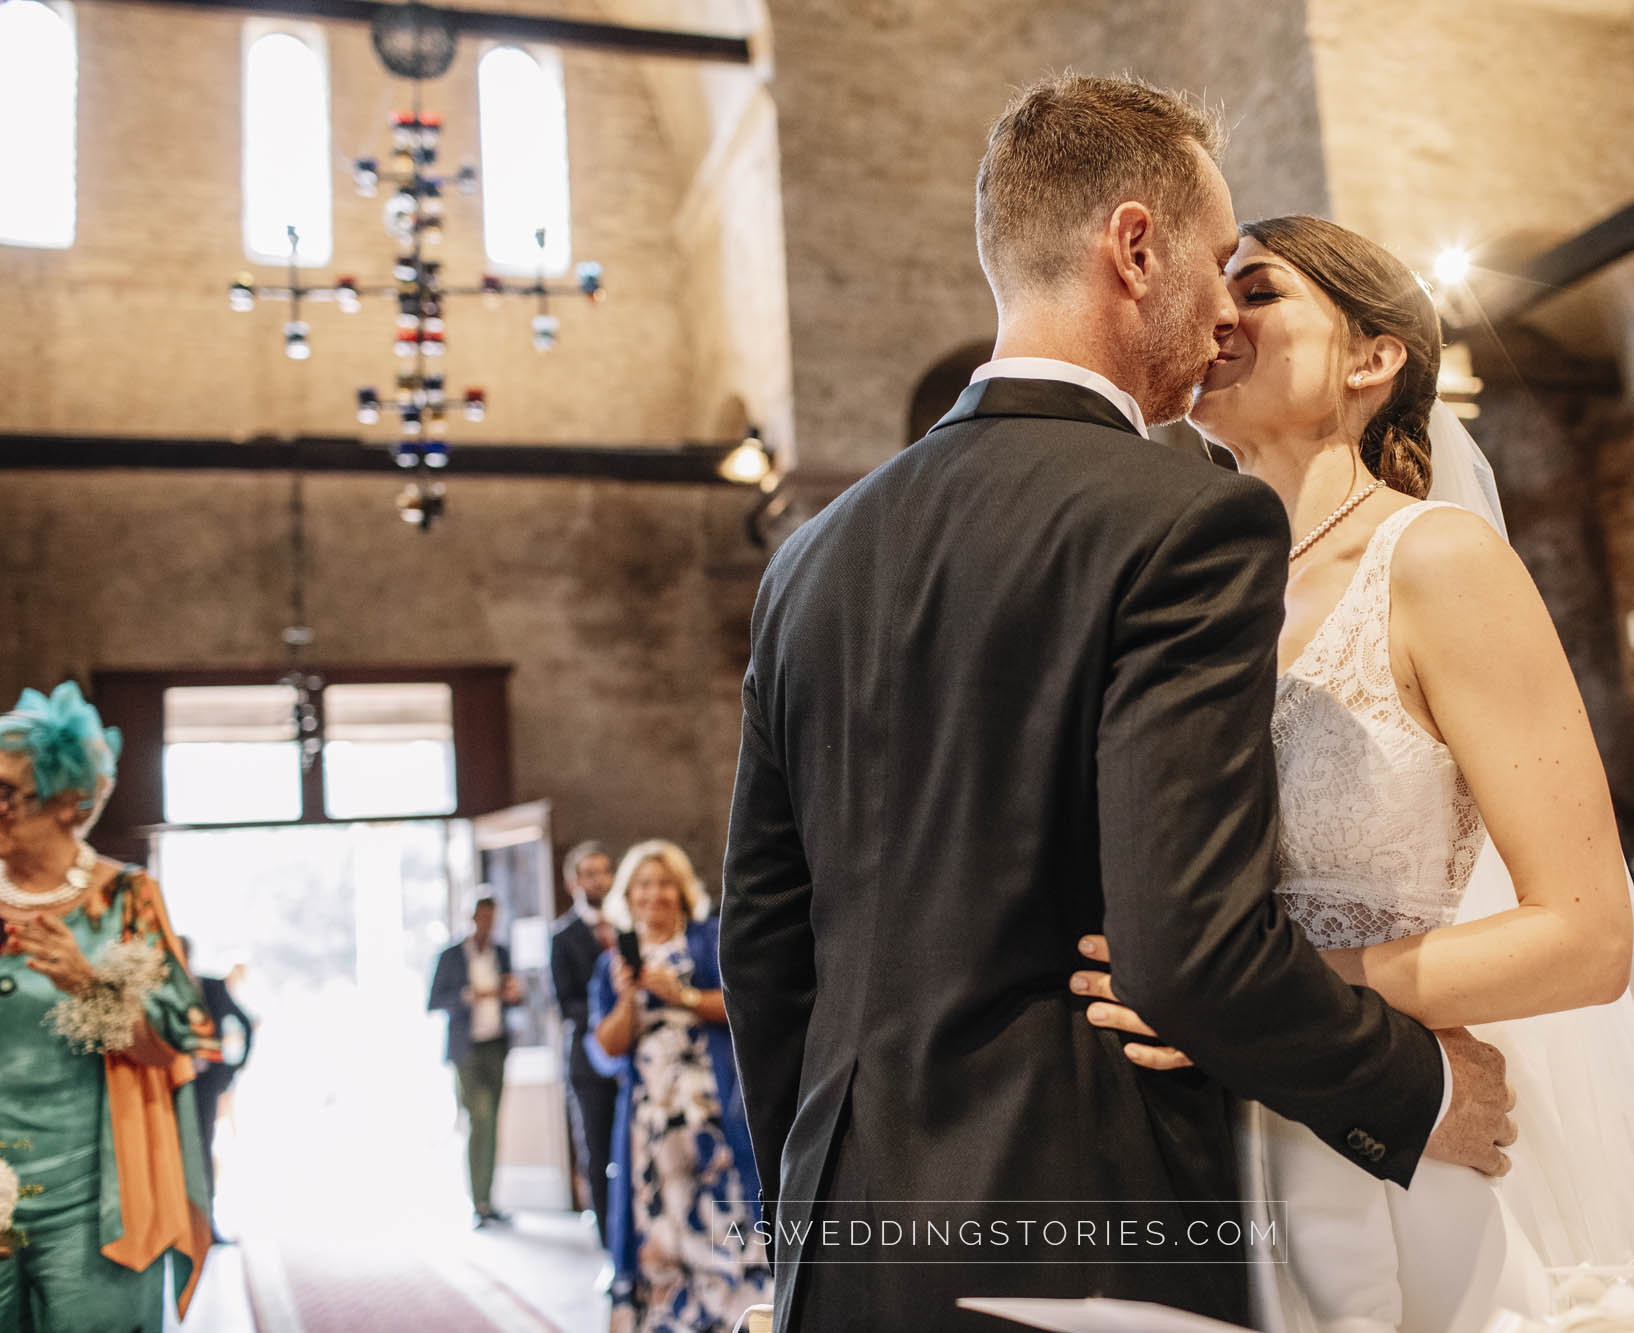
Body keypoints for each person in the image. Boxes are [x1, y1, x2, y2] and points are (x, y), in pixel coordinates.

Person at [720, 74, 1514, 1333]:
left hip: (842, 1239)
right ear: (1134, 249)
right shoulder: (1184, 522)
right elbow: (1182, 951)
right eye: (1213, 266)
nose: (1219, 320)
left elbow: (760, 950)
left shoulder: (811, 556)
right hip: (1084, 1230)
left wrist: (809, 1221)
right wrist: (1413, 1091)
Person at [1076, 216, 1634, 1331]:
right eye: (1215, 289)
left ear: (1370, 357)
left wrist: (1262, 999)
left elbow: (1584, 935)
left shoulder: (1436, 561)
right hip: (1190, 1150)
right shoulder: (1180, 586)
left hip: (1387, 1137)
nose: (1218, 315)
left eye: (1260, 291)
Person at [0, 682, 216, 1331]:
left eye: (6, 792)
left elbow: (176, 1039)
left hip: (93, 1204)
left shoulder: (127, 899)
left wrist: (88, 984)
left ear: (68, 799)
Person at [587, 839, 766, 1333]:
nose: (654, 894)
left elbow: (746, 1007)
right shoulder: (613, 964)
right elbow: (604, 1049)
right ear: (629, 895)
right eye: (644, 884)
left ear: (683, 890)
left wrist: (681, 994)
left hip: (713, 1111)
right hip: (650, 1119)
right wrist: (627, 1000)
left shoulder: (708, 940)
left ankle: (737, 1315)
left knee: (723, 1219)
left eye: (665, 882)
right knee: (659, 1222)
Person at [426, 893, 521, 1227]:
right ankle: (477, 1201)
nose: (487, 923)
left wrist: (512, 995)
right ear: (471, 917)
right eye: (482, 916)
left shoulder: (502, 953)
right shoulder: (452, 956)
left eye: (492, 916)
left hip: (495, 1044)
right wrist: (469, 996)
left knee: (492, 1120)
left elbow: (514, 997)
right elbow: (433, 1000)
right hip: (467, 1049)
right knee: (478, 1117)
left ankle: (488, 1198)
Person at [551, 839, 619, 1250]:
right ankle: (608, 1244)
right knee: (597, 1151)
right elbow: (567, 1003)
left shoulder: (627, 924)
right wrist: (609, 1018)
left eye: (603, 871)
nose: (598, 880)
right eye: (589, 873)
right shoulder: (563, 936)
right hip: (588, 1061)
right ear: (573, 881)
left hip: (632, 1058)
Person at [182, 935, 257, 1245]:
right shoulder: (161, 990)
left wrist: (233, 1068)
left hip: (204, 1085)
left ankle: (206, 1225)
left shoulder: (210, 986)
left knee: (201, 1150)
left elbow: (245, 1022)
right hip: (168, 1084)